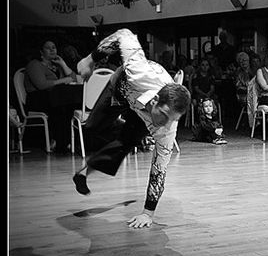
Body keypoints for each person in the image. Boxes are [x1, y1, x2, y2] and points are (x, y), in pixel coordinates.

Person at [72, 28, 191, 229]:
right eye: (163, 116)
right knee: (91, 128)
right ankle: (121, 125)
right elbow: (124, 35)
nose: (165, 124)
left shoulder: (166, 129)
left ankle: (84, 172)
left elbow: (158, 172)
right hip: (120, 91)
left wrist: (147, 213)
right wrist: (90, 59)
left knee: (124, 143)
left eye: (171, 120)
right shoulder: (139, 72)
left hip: (142, 116)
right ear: (154, 101)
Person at [24, 40, 79, 153]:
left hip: (55, 97)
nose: (52, 49)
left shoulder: (56, 65)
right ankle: (59, 142)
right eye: (48, 48)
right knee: (61, 106)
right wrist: (62, 80)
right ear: (41, 51)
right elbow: (41, 85)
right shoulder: (34, 64)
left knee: (71, 105)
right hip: (38, 98)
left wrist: (63, 64)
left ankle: (69, 142)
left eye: (54, 47)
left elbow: (75, 79)